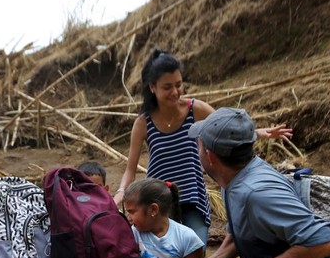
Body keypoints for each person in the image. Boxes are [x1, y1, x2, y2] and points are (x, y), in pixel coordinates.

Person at [114, 49, 292, 246]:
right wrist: (121, 191)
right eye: (167, 87)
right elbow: (130, 170)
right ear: (152, 87)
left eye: (178, 85)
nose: (175, 92)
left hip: (193, 195)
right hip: (159, 201)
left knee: (196, 251)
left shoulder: (194, 109)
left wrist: (257, 133)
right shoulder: (143, 123)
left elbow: (226, 129)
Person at [181, 107, 330, 258]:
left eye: (198, 145)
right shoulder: (231, 180)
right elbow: (243, 231)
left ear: (210, 156)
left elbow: (325, 242)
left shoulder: (257, 194)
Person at [123, 178, 204, 258]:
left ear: (153, 209)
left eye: (132, 212)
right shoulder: (133, 233)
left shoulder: (187, 237)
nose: (128, 217)